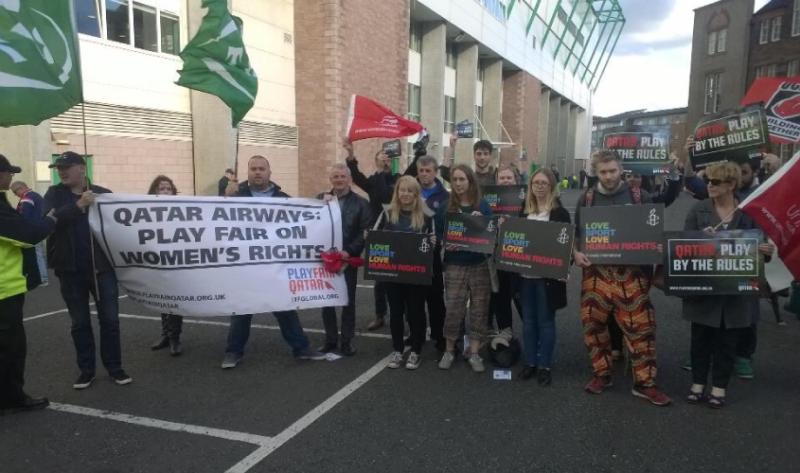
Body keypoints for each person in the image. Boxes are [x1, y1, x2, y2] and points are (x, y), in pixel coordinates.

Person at [573, 150, 671, 406]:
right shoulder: (587, 198)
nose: (608, 176)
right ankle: (602, 373)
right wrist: (576, 253)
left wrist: (655, 247)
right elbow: (576, 233)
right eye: (603, 172)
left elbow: (653, 231)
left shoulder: (640, 196)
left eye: (613, 171)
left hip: (632, 273)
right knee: (593, 326)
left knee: (642, 328)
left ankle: (645, 382)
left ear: (621, 170)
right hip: (597, 273)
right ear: (596, 172)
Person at [682, 162, 773, 408]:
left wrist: (766, 250)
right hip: (705, 288)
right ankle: (698, 383)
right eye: (708, 181)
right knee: (700, 338)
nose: (709, 186)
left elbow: (760, 247)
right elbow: (682, 246)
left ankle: (719, 387)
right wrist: (702, 239)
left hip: (737, 290)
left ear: (731, 185)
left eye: (715, 182)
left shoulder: (748, 212)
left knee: (728, 341)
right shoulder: (698, 210)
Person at [221, 155, 326, 368]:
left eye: (261, 168)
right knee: (241, 311)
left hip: (275, 267)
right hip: (247, 267)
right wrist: (224, 198)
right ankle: (233, 351)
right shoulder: (236, 197)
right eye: (253, 169)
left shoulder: (283, 198)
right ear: (247, 173)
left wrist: (324, 205)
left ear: (269, 172)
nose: (257, 172)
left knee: (285, 308)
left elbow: (302, 223)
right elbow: (218, 222)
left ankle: (301, 348)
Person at [43, 151, 132, 389]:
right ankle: (86, 370)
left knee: (110, 321)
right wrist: (78, 205)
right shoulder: (54, 194)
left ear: (82, 168)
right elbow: (47, 222)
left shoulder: (103, 194)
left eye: (67, 167)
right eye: (58, 167)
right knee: (80, 323)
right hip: (70, 271)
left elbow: (120, 227)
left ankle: (115, 367)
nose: (61, 171)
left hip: (102, 270)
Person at [0, 155, 55, 414]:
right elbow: (28, 234)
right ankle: (13, 398)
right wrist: (52, 220)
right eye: (8, 173)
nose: (11, 178)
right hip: (4, 289)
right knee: (11, 349)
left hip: (6, 287)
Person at [375, 176, 435, 370]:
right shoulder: (386, 213)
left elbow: (432, 243)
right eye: (402, 190)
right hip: (392, 275)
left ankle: (416, 350)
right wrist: (369, 237)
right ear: (397, 192)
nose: (405, 194)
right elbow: (374, 237)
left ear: (416, 194)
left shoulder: (426, 216)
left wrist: (435, 242)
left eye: (410, 191)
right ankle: (398, 350)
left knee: (416, 313)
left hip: (416, 274)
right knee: (395, 313)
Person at [517, 169, 571, 386]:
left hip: (548, 277)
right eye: (535, 183)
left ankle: (544, 365)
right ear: (530, 186)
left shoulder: (560, 213)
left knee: (546, 321)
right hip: (524, 275)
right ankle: (530, 362)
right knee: (528, 322)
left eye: (544, 183)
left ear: (551, 186)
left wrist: (564, 268)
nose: (539, 186)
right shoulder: (523, 211)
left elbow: (566, 246)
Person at [438, 165, 493, 373]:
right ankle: (450, 350)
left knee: (479, 309)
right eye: (455, 179)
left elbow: (491, 233)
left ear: (470, 181)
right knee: (453, 308)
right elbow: (439, 235)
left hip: (479, 264)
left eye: (462, 179)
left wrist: (481, 224)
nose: (459, 183)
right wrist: (445, 243)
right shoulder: (445, 208)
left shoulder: (484, 206)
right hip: (455, 265)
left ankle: (475, 352)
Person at [316, 163, 371, 356]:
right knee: (326, 301)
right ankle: (330, 340)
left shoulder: (361, 203)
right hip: (325, 260)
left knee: (347, 302)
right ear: (331, 179)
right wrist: (322, 204)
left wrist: (349, 251)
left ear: (349, 179)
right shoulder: (320, 200)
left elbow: (364, 232)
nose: (339, 180)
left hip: (347, 260)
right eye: (335, 177)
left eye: (342, 176)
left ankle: (346, 342)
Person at [344, 138, 395, 332]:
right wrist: (351, 154)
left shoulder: (399, 179)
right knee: (380, 279)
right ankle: (380, 315)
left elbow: (388, 195)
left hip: (398, 235)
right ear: (376, 162)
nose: (385, 161)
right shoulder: (373, 181)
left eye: (388, 158)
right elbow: (356, 176)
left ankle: (404, 316)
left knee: (402, 277)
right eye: (381, 158)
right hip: (378, 235)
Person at [405, 155, 448, 351]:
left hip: (433, 253)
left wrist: (438, 240)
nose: (424, 174)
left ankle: (439, 335)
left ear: (435, 172)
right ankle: (416, 334)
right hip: (411, 253)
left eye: (428, 170)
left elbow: (448, 225)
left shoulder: (445, 196)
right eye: (421, 170)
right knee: (413, 299)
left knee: (435, 298)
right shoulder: (409, 192)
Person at [147, 176, 184, 356]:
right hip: (157, 261)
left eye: (168, 188)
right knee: (162, 298)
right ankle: (165, 334)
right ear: (154, 191)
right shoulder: (147, 210)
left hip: (176, 260)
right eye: (161, 188)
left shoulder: (181, 209)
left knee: (174, 299)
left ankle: (175, 337)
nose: (165, 191)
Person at [488, 164, 523, 336]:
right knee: (500, 297)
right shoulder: (489, 200)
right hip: (497, 256)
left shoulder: (525, 200)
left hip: (521, 257)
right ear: (496, 181)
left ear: (516, 179)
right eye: (502, 178)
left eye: (509, 177)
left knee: (521, 298)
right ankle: (505, 334)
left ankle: (532, 334)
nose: (506, 181)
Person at [10, 180, 48, 288]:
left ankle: (43, 278)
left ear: (21, 188)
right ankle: (42, 277)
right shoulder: (36, 196)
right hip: (38, 228)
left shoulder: (27, 198)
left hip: (33, 230)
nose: (15, 195)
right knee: (38, 253)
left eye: (15, 192)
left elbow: (24, 215)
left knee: (37, 254)